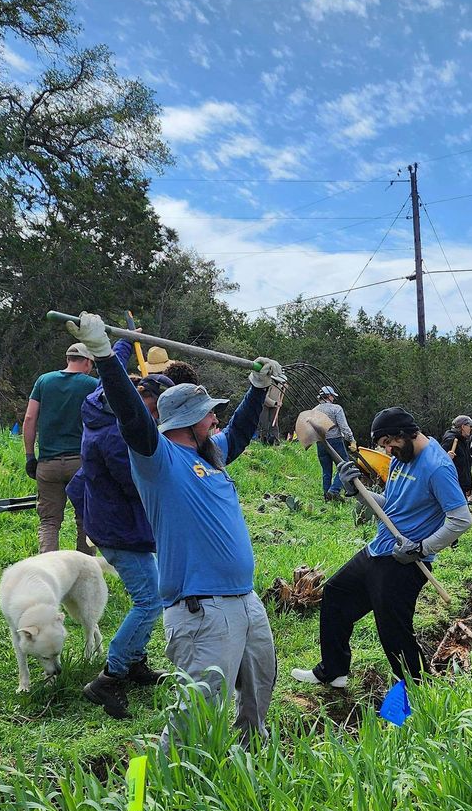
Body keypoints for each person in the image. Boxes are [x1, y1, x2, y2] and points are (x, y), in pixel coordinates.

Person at [64, 312, 283, 748]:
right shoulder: (158, 459)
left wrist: (257, 389)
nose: (215, 422)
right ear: (186, 422)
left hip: (245, 600)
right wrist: (106, 355)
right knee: (197, 714)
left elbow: (238, 432)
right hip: (204, 608)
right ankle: (164, 793)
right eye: (208, 417)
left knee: (258, 695)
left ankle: (249, 764)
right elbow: (131, 416)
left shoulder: (210, 453)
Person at [291, 406, 471, 688]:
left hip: (405, 562)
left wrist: (421, 548)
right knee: (336, 595)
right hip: (379, 548)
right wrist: (356, 491)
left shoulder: (437, 467)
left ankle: (417, 695)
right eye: (383, 445)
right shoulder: (401, 459)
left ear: (406, 433)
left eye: (390, 443)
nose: (388, 450)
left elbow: (461, 519)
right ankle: (333, 671)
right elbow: (390, 507)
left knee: (394, 633)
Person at [68, 370, 174, 718]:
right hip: (118, 527)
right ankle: (110, 677)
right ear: (142, 398)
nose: (155, 419)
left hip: (111, 518)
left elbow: (113, 368)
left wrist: (122, 343)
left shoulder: (103, 403)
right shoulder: (116, 433)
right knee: (150, 599)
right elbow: (138, 485)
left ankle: (135, 662)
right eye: (156, 410)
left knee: (151, 592)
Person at [24, 339, 101, 553]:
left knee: (49, 522)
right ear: (87, 362)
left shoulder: (44, 381)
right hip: (81, 463)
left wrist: (30, 456)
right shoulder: (91, 385)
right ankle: (84, 572)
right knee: (85, 519)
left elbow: (30, 418)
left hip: (48, 464)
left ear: (68, 359)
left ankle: (49, 573)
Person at [314, 385, 355, 499]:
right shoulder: (336, 408)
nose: (333, 398)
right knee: (345, 466)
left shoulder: (314, 410)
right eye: (332, 396)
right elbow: (344, 428)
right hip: (335, 441)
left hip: (320, 442)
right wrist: (351, 440)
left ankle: (326, 496)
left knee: (326, 470)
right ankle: (334, 490)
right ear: (329, 396)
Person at [441, 415, 472, 498]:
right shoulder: (452, 440)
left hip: (461, 486)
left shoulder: (462, 441)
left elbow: (464, 464)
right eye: (470, 426)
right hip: (454, 486)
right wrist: (446, 457)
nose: (471, 429)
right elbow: (438, 461)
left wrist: (468, 485)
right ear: (463, 426)